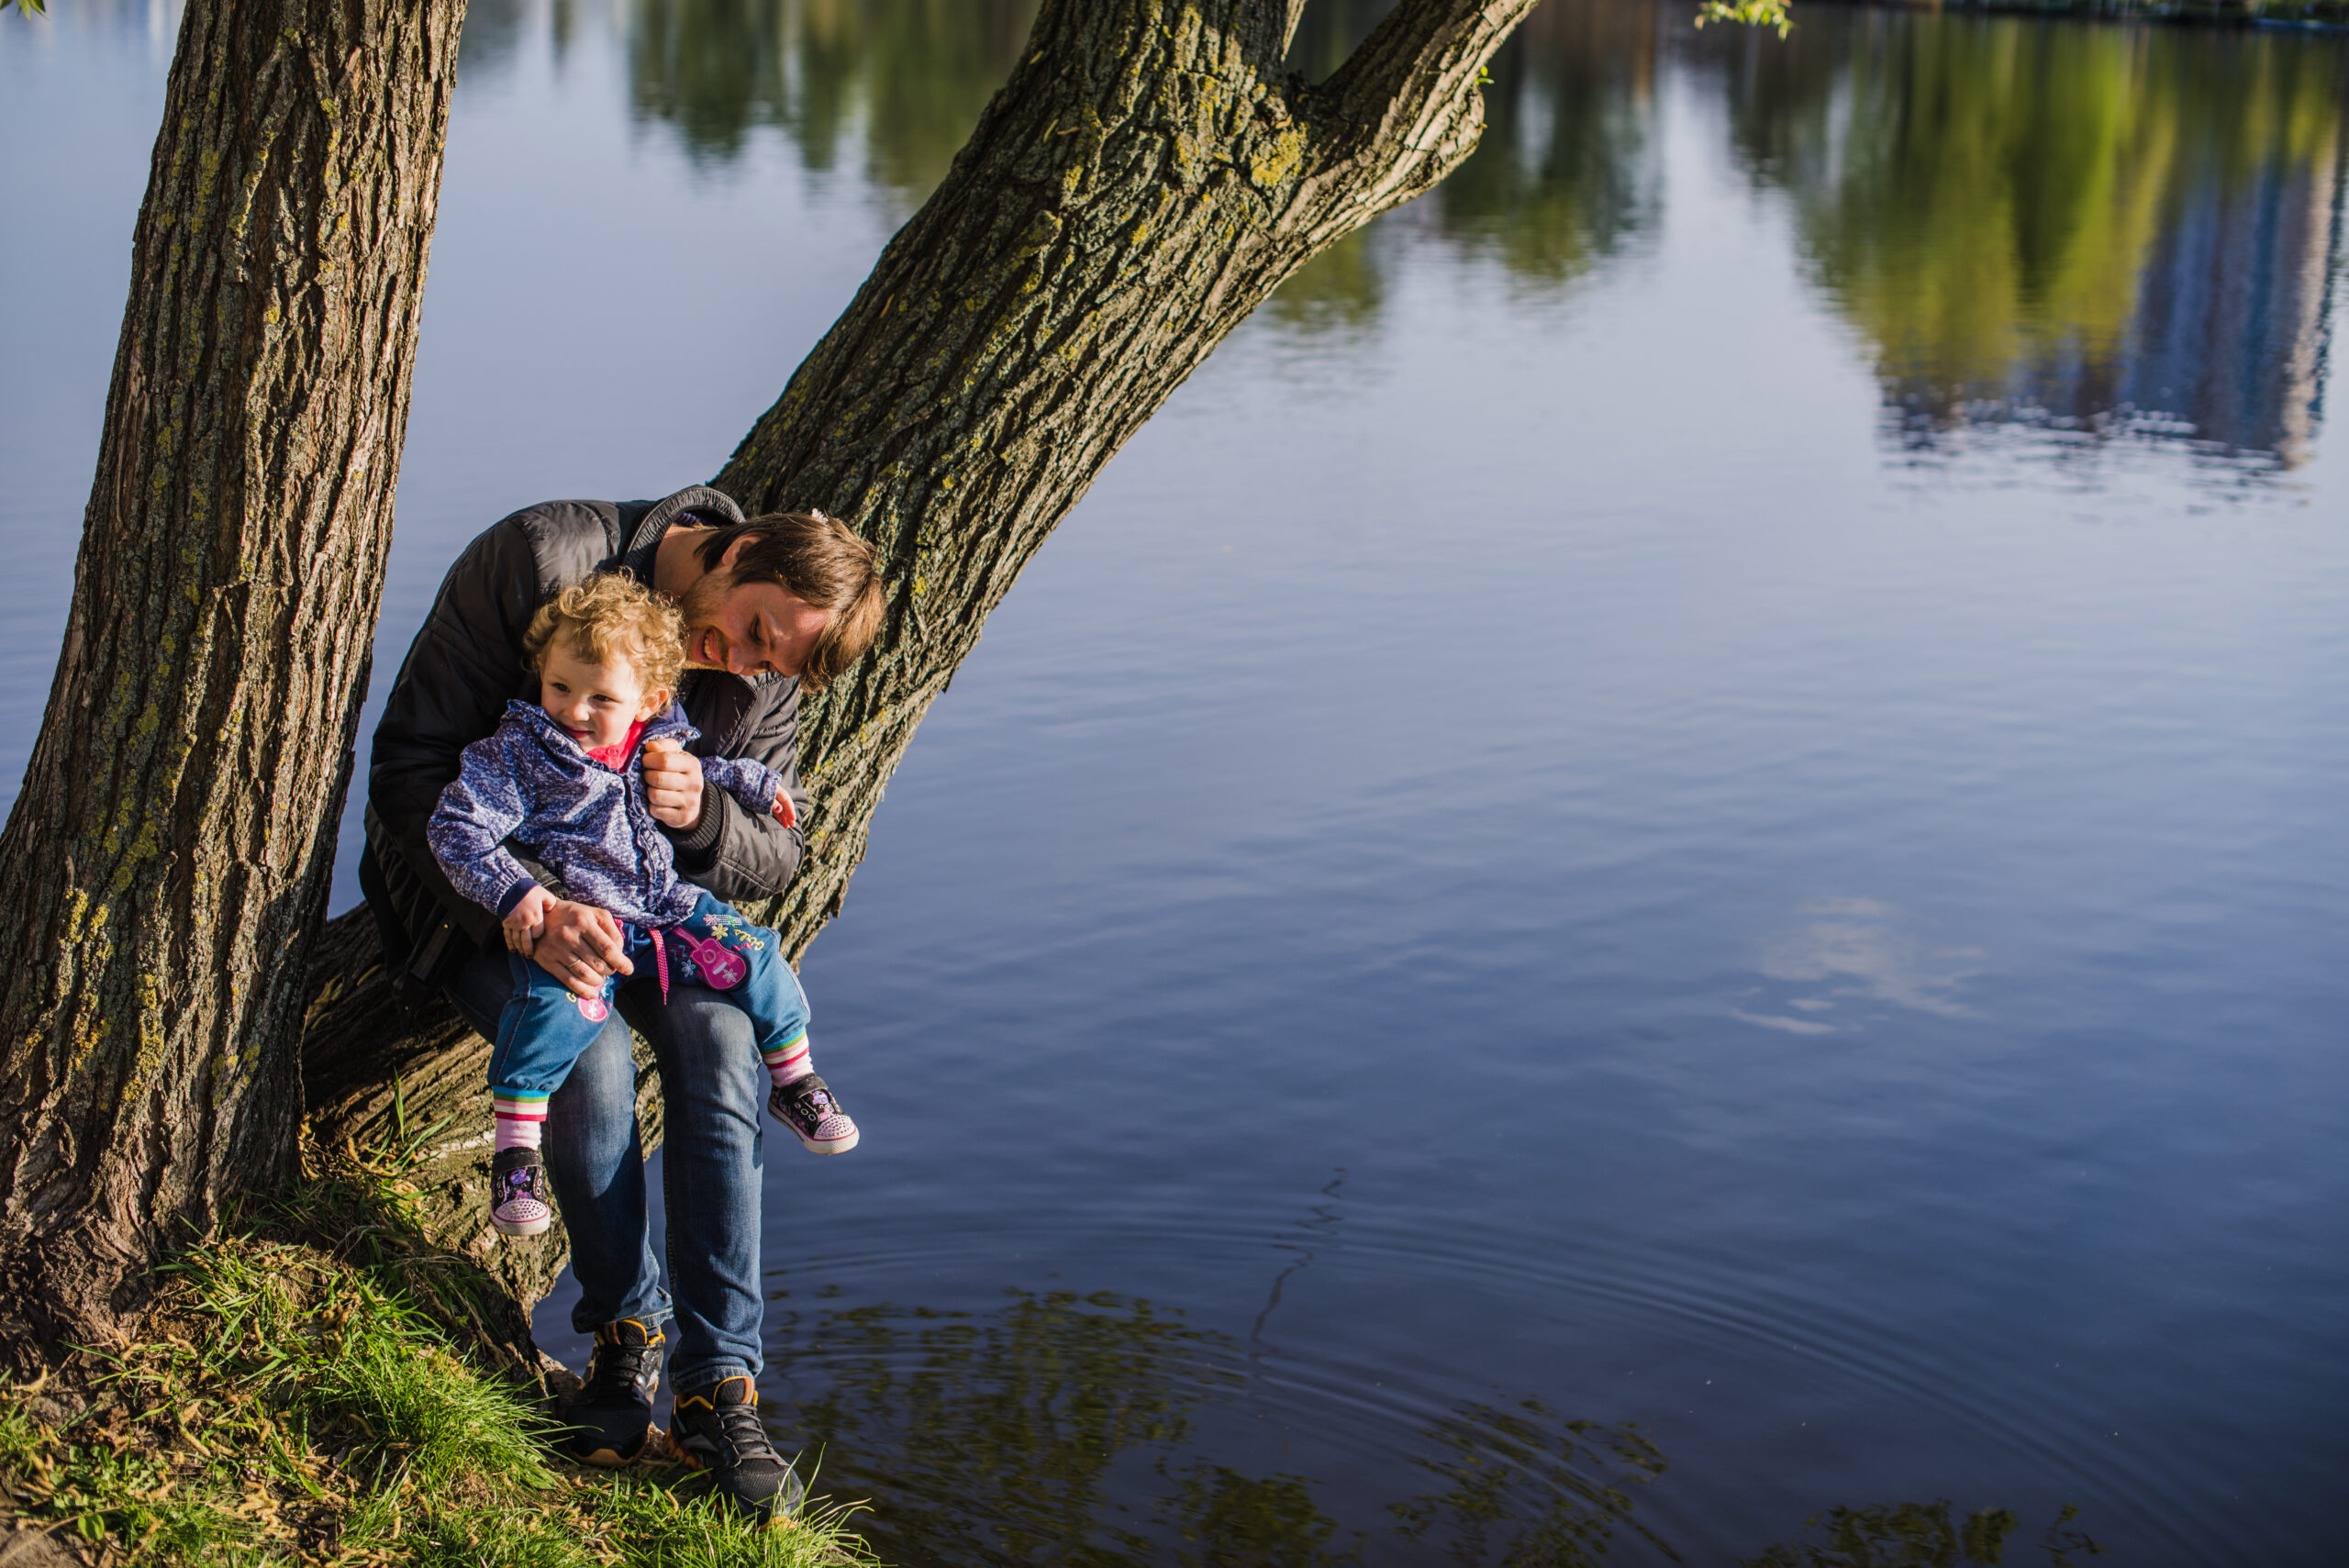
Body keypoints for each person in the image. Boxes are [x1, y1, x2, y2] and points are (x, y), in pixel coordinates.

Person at [361, 486, 884, 1517]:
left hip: (646, 911)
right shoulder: (541, 558)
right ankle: (620, 1337)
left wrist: (702, 819)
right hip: (483, 900)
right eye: (752, 631)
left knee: (722, 1045)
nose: (744, 663)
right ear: (737, 550)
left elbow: (774, 850)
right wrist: (528, 908)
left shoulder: (757, 671)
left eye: (771, 664)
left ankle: (718, 1386)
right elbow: (410, 765)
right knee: (591, 1058)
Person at [426, 573, 859, 1241]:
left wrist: (759, 785)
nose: (573, 710)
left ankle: (795, 1080)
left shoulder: (655, 741)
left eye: (601, 698)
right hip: (587, 922)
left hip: (664, 909)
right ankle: (516, 1155)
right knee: (554, 1011)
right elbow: (455, 826)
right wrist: (519, 893)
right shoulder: (520, 754)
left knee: (754, 953)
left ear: (648, 700)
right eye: (560, 686)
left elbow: (712, 769)